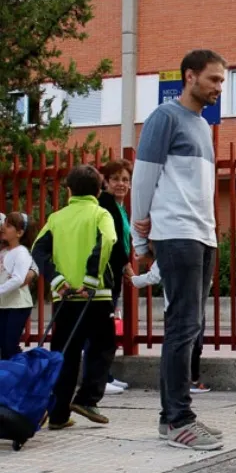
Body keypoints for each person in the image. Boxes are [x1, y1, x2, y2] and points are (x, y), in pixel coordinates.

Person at [131, 49, 226, 450]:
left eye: (222, 80)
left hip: (202, 234)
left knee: (190, 326)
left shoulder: (202, 126)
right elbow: (143, 176)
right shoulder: (164, 117)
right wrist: (140, 240)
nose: (219, 87)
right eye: (214, 80)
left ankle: (168, 416)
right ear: (190, 76)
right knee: (182, 326)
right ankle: (179, 421)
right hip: (176, 233)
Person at [31, 165, 118, 430]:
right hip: (96, 296)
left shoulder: (56, 218)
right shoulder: (100, 214)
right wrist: (91, 280)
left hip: (65, 298)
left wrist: (58, 281)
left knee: (65, 354)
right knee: (102, 347)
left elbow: (38, 249)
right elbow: (107, 241)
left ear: (68, 190)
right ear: (98, 189)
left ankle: (57, 415)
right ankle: (87, 398)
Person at [129, 243, 212, 394]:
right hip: (192, 305)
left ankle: (185, 380)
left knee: (184, 345)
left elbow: (153, 276)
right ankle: (187, 380)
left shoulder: (168, 252)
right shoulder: (194, 252)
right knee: (192, 345)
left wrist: (134, 279)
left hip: (177, 307)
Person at [94, 159, 134, 395]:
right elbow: (113, 241)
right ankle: (99, 378)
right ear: (106, 181)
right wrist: (127, 266)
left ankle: (106, 374)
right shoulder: (106, 204)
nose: (121, 184)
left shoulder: (119, 207)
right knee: (102, 327)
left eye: (125, 180)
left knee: (107, 325)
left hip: (115, 272)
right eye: (116, 179)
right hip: (105, 272)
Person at [0, 212, 39, 360]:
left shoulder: (21, 252)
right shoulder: (4, 251)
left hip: (18, 305)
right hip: (4, 304)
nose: (3, 227)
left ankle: (24, 373)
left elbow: (18, 279)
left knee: (10, 345)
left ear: (20, 233)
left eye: (8, 226)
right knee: (4, 345)